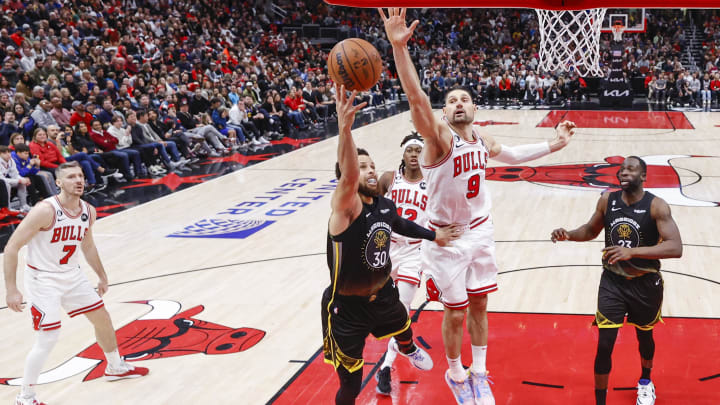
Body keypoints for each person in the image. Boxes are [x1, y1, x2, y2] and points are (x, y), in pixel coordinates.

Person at [380, 8, 576, 404]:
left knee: (481, 302)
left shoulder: (482, 139)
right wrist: (400, 49)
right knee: (455, 310)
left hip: (480, 229)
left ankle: (481, 372)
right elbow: (416, 98)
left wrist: (554, 145)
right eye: (450, 100)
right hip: (446, 237)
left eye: (464, 99)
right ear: (443, 112)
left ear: (474, 108)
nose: (457, 104)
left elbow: (515, 154)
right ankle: (456, 374)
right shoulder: (438, 140)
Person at [323, 85, 462, 405]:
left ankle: (408, 347)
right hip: (347, 307)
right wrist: (345, 130)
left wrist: (434, 236)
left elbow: (398, 223)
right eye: (362, 167)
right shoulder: (344, 210)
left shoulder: (384, 205)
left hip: (387, 286)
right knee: (350, 385)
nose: (369, 170)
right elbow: (348, 178)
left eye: (372, 165)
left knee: (402, 316)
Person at [4, 161, 149, 405]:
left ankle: (115, 367)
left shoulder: (88, 211)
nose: (78, 180)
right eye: (71, 177)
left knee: (102, 318)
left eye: (80, 176)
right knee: (48, 338)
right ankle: (25, 397)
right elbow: (11, 248)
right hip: (43, 280)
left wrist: (102, 276)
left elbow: (88, 245)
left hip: (73, 275)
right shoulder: (45, 210)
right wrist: (11, 289)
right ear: (58, 183)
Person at [550, 156, 682, 405]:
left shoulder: (657, 206)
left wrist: (633, 252)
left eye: (630, 170)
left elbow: (676, 247)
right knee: (604, 344)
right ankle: (600, 402)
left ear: (643, 176)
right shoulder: (606, 200)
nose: (623, 173)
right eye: (621, 170)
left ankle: (645, 381)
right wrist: (569, 234)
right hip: (613, 282)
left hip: (645, 283)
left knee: (645, 337)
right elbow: (590, 230)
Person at [375, 131, 428, 395]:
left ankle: (385, 368)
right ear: (403, 153)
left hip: (413, 253)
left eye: (419, 150)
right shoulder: (389, 178)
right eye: (411, 150)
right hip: (385, 249)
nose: (415, 154)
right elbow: (369, 206)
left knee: (401, 311)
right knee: (377, 309)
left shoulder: (433, 180)